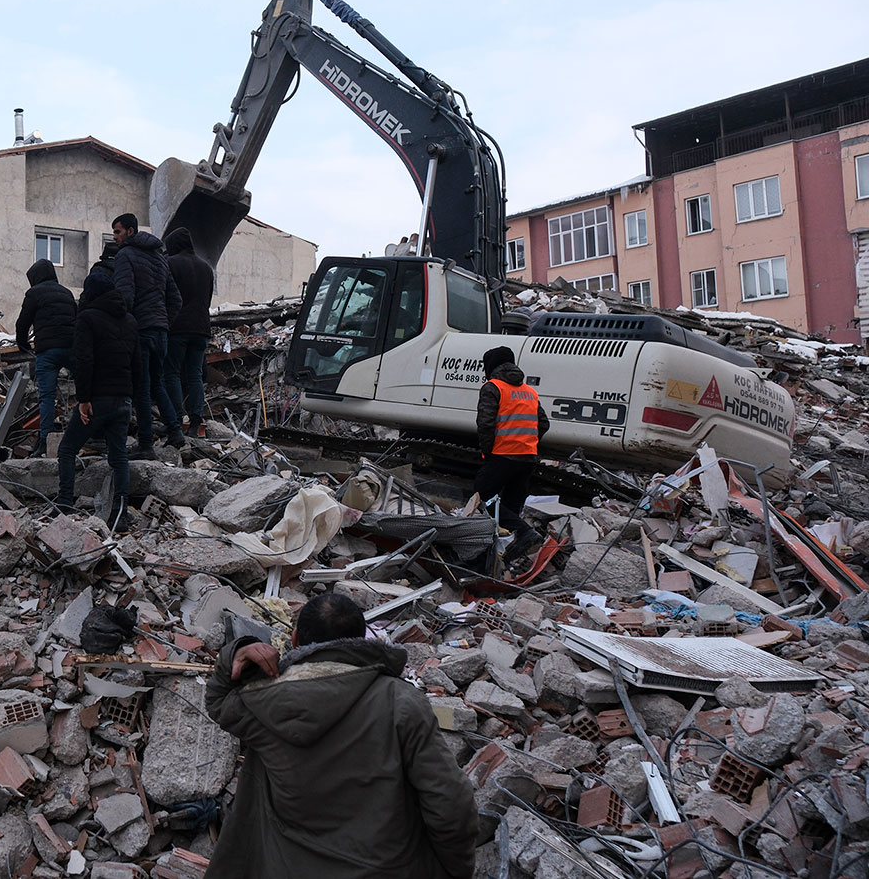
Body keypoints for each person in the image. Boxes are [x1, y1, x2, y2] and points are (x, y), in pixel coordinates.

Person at [204, 592, 477, 878]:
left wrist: (239, 651)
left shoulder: (263, 701)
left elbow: (218, 700)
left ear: (295, 639)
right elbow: (451, 805)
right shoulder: (402, 703)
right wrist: (453, 870)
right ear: (361, 639)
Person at [57, 270, 138, 530]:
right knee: (119, 457)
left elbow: (84, 360)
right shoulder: (130, 321)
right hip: (123, 398)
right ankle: (120, 514)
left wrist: (83, 399)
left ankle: (64, 503)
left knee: (67, 449)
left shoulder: (87, 318)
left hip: (98, 398)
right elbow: (137, 364)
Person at [110, 213, 182, 456]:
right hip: (160, 331)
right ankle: (176, 431)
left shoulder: (124, 256)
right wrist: (164, 322)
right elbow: (176, 299)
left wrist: (121, 327)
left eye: (118, 232)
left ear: (130, 231)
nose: (115, 237)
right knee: (157, 383)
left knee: (141, 388)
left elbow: (124, 297)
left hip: (140, 331)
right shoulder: (160, 259)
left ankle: (146, 445)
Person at [476, 344, 551, 563]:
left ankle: (524, 531)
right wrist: (527, 442)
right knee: (510, 505)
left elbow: (485, 424)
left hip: (502, 456)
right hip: (527, 458)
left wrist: (487, 452)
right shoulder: (529, 391)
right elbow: (543, 423)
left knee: (482, 498)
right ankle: (509, 547)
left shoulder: (493, 387)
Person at [15, 258, 78, 456]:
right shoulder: (67, 293)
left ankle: (44, 441)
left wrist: (23, 345)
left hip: (47, 352)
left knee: (47, 397)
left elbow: (22, 323)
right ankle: (86, 434)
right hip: (71, 349)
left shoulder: (34, 294)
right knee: (85, 391)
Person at [160, 227, 214, 438]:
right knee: (195, 375)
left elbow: (166, 296)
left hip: (178, 327)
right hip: (201, 328)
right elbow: (207, 299)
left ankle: (175, 418)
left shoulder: (170, 264)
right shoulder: (206, 267)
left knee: (171, 373)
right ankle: (195, 421)